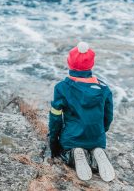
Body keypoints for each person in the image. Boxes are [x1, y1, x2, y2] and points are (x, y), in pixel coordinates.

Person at [48, 42, 115, 182]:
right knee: (94, 145)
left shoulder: (62, 88)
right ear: (91, 64)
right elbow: (108, 117)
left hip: (72, 138)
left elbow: (55, 118)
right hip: (97, 137)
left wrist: (54, 142)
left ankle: (74, 153)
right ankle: (97, 152)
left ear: (69, 63)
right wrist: (101, 132)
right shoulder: (104, 88)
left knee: (64, 152)